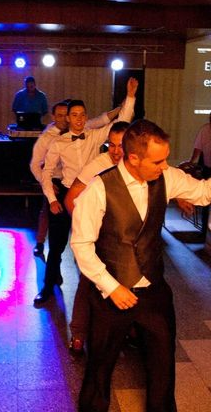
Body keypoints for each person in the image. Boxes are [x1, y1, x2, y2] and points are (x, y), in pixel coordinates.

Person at [70, 119, 211, 412]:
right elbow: (81, 245)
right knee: (99, 368)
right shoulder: (99, 189)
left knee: (163, 364)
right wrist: (111, 287)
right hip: (111, 295)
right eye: (158, 160)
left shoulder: (167, 177)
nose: (164, 166)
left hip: (153, 291)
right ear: (133, 158)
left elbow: (202, 193)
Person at [34, 77, 138, 305]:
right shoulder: (58, 143)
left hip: (93, 197)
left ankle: (98, 289)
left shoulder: (96, 135)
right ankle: (48, 287)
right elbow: (46, 172)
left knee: (96, 245)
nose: (79, 119)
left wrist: (130, 97)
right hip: (65, 194)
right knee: (58, 245)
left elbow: (122, 123)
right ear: (68, 118)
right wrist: (52, 199)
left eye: (82, 115)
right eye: (74, 115)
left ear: (85, 116)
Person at [63, 121, 129, 353]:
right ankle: (79, 334)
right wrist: (86, 229)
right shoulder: (98, 165)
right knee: (87, 283)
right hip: (98, 239)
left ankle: (124, 333)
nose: (115, 150)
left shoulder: (137, 168)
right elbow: (70, 198)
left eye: (121, 145)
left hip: (126, 242)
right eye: (111, 144)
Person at [30, 101, 125, 256]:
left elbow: (104, 120)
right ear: (56, 117)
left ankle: (85, 266)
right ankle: (41, 244)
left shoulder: (86, 130)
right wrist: (48, 190)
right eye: (59, 116)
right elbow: (36, 165)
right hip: (59, 182)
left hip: (88, 185)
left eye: (65, 115)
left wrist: (125, 103)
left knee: (89, 233)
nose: (62, 119)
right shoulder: (47, 137)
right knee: (50, 213)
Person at [188, 108, 211, 236]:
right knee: (207, 200)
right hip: (207, 167)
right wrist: (190, 162)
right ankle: (204, 229)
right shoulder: (205, 130)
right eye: (210, 118)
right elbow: (197, 148)